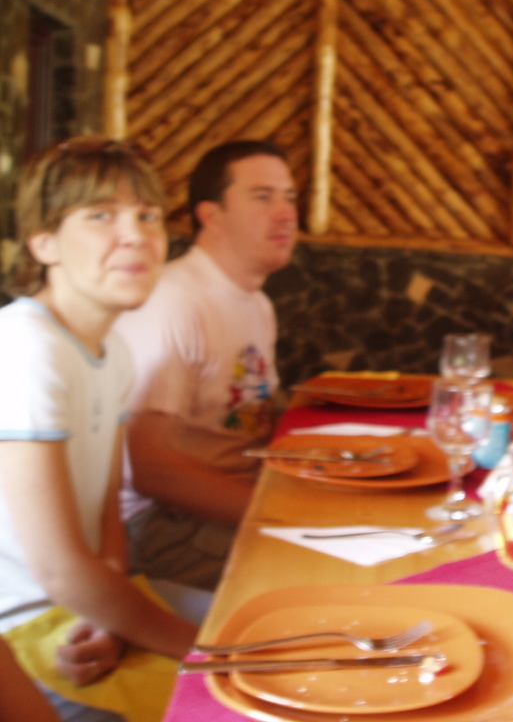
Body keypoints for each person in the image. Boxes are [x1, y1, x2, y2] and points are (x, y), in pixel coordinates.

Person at [0, 137, 196, 721]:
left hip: (83, 609)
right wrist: (206, 654)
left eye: (148, 215)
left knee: (270, 620)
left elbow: (105, 507)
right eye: (101, 215)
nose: (136, 234)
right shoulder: (27, 348)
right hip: (26, 635)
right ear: (44, 242)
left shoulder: (110, 353)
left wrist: (110, 615)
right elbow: (58, 567)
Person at [114, 140, 298, 589]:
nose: (286, 213)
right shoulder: (175, 300)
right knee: (335, 575)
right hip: (158, 526)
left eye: (290, 197)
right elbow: (147, 467)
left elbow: (254, 419)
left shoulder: (257, 303)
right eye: (262, 197)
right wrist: (285, 512)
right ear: (210, 215)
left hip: (232, 500)